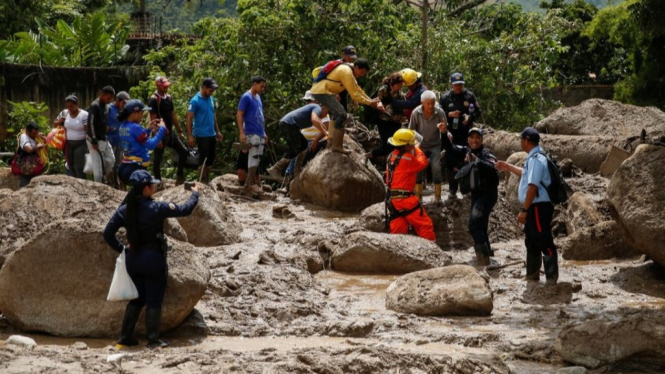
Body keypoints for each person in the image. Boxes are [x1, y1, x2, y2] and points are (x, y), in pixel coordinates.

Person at [103, 169, 200, 349]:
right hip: (153, 259)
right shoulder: (157, 208)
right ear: (146, 189)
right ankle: (153, 340)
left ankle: (125, 338)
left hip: (133, 259)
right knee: (154, 299)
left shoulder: (125, 209)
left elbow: (107, 233)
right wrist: (195, 194)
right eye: (152, 184)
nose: (155, 186)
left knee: (137, 299)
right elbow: (185, 210)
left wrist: (122, 249)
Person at [496, 127, 558, 284]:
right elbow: (526, 173)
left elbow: (533, 186)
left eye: (521, 139)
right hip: (534, 206)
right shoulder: (533, 158)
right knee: (531, 240)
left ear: (526, 141)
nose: (520, 142)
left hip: (538, 206)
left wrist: (524, 210)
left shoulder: (537, 159)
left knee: (543, 239)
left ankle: (552, 278)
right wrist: (508, 167)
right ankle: (532, 276)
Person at [439, 125, 499, 265]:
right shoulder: (466, 151)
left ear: (482, 140)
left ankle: (483, 260)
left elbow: (493, 168)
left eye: (477, 138)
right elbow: (450, 148)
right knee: (481, 224)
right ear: (468, 139)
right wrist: (443, 132)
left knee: (474, 225)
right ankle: (488, 252)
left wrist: (476, 161)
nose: (474, 140)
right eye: (472, 138)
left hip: (488, 194)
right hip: (477, 194)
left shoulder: (486, 154)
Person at [310, 58, 384, 155]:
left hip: (324, 91)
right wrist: (370, 103)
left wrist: (370, 100)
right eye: (361, 72)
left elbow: (358, 89)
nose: (362, 75)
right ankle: (336, 146)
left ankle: (331, 141)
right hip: (322, 92)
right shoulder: (347, 72)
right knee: (342, 114)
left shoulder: (349, 69)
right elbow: (355, 95)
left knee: (337, 114)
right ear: (356, 67)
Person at [384, 129, 436, 241]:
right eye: (411, 144)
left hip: (393, 201)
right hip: (406, 200)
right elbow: (423, 163)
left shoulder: (390, 156)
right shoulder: (408, 158)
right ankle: (432, 254)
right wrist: (417, 148)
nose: (412, 146)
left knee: (398, 232)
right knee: (425, 226)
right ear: (406, 145)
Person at [440, 72, 482, 199]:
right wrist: (450, 115)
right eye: (456, 84)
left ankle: (466, 188)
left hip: (466, 134)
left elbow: (478, 111)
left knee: (467, 160)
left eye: (460, 84)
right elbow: (439, 114)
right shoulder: (445, 97)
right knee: (450, 160)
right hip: (450, 135)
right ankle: (452, 189)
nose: (458, 87)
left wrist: (470, 117)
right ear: (451, 85)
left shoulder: (469, 96)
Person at [267, 103, 329, 181]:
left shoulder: (317, 113)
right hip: (288, 124)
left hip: (291, 125)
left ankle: (297, 169)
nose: (327, 114)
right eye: (327, 112)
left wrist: (326, 131)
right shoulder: (317, 108)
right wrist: (325, 132)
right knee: (295, 149)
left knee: (304, 145)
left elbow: (321, 124)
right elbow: (314, 120)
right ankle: (276, 168)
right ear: (323, 108)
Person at [149, 76, 189, 185]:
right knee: (157, 160)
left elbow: (172, 115)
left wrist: (179, 131)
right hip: (160, 133)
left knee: (184, 151)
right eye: (163, 86)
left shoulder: (169, 98)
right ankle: (158, 182)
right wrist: (157, 136)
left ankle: (180, 178)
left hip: (170, 132)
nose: (166, 88)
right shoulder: (153, 100)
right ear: (158, 85)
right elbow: (153, 119)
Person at [408, 90, 446, 203]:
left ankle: (438, 197)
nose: (431, 106)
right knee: (418, 169)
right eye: (428, 103)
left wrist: (443, 129)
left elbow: (445, 130)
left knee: (436, 168)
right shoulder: (416, 113)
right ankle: (418, 197)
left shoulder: (439, 112)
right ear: (422, 103)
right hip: (420, 146)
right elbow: (411, 131)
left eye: (433, 103)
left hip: (435, 145)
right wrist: (415, 144)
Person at [118, 100, 167, 185]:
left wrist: (148, 130)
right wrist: (162, 129)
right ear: (134, 113)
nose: (142, 116)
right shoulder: (135, 127)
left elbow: (137, 139)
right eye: (141, 113)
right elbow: (150, 145)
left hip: (125, 167)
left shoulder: (123, 126)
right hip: (136, 168)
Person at [186, 78, 223, 183]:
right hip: (201, 133)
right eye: (210, 90)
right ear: (204, 87)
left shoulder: (211, 99)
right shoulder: (195, 101)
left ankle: (207, 178)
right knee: (203, 157)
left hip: (211, 132)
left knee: (211, 157)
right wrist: (190, 135)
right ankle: (202, 179)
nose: (212, 92)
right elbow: (189, 118)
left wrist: (218, 131)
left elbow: (213, 116)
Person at [365, 72, 407, 159]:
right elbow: (376, 100)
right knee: (387, 146)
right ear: (393, 84)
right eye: (399, 85)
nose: (400, 87)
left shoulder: (400, 93)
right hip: (383, 122)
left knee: (396, 145)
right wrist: (379, 105)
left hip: (395, 122)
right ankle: (368, 156)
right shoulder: (384, 89)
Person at [236, 76, 267, 194]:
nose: (262, 89)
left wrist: (264, 132)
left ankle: (251, 182)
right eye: (261, 86)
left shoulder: (258, 97)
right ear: (254, 84)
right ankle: (250, 183)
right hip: (250, 131)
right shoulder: (246, 97)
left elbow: (260, 116)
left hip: (259, 132)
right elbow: (239, 115)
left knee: (257, 157)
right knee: (253, 157)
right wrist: (241, 132)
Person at [87, 86, 117, 184]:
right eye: (108, 98)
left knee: (111, 160)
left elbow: (102, 121)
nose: (109, 100)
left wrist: (106, 128)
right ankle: (97, 185)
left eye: (111, 98)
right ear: (102, 94)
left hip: (104, 137)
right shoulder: (94, 106)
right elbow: (90, 124)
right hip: (95, 139)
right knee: (97, 166)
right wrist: (94, 140)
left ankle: (103, 177)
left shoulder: (106, 106)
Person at [56, 95, 89, 179]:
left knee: (79, 167)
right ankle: (73, 186)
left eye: (71, 106)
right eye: (68, 106)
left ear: (77, 104)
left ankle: (82, 185)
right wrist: (60, 121)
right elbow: (55, 123)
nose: (69, 108)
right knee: (70, 166)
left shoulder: (84, 115)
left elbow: (88, 130)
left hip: (81, 143)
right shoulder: (64, 113)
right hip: (68, 143)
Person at [107, 91, 130, 189]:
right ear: (117, 101)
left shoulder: (124, 110)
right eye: (123, 102)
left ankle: (119, 186)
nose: (124, 105)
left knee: (119, 165)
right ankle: (110, 184)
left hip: (120, 141)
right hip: (110, 141)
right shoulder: (108, 109)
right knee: (110, 165)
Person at [16, 122, 45, 187]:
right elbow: (29, 149)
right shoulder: (24, 137)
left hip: (34, 165)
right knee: (26, 184)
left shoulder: (35, 136)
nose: (35, 135)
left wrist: (42, 138)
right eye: (34, 133)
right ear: (27, 131)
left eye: (37, 133)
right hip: (26, 166)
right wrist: (38, 146)